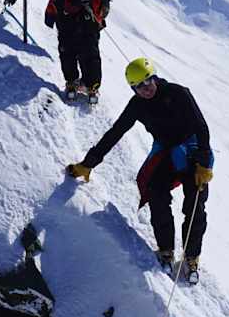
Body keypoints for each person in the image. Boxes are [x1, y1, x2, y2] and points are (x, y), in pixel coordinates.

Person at [65, 58, 214, 281]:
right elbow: (115, 133)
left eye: (149, 81)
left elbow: (201, 127)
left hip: (193, 150)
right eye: (139, 86)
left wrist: (203, 163)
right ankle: (166, 250)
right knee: (156, 191)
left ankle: (192, 257)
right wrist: (89, 163)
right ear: (133, 89)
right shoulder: (137, 105)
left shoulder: (179, 93)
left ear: (155, 77)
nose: (146, 89)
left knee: (195, 204)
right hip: (167, 152)